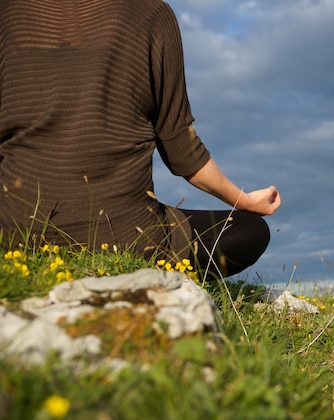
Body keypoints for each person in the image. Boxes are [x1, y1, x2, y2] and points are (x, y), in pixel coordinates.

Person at [0, 0, 281, 278]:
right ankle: (153, 274)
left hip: (16, 239)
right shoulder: (152, 13)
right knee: (249, 230)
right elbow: (184, 153)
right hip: (130, 241)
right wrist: (244, 201)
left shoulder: (6, 13)